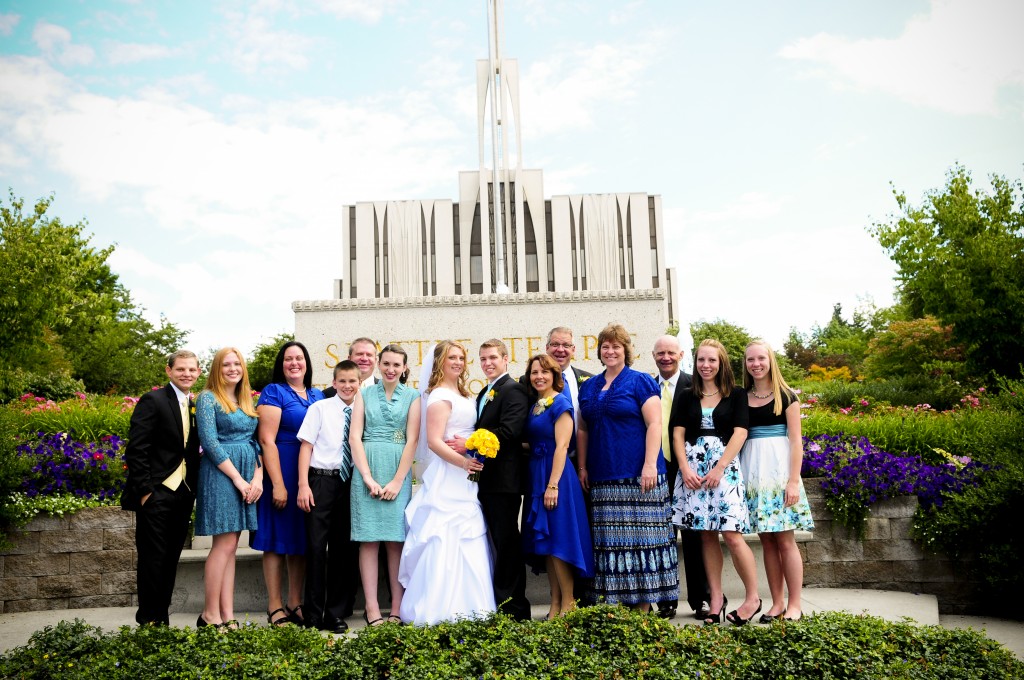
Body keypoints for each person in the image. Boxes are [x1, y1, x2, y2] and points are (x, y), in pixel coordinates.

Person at [577, 324, 678, 611]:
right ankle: (617, 609)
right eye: (605, 346)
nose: (610, 351)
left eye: (616, 346)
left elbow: (655, 424)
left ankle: (642, 610)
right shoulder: (589, 386)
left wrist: (649, 465)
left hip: (639, 476)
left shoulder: (640, 381)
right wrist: (582, 466)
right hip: (602, 477)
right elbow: (582, 429)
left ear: (626, 350)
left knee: (642, 543)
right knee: (611, 546)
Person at [399, 341, 495, 625]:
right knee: (443, 535)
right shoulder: (439, 395)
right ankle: (439, 608)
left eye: (461, 357)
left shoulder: (463, 393)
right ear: (440, 361)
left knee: (469, 535)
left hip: (467, 477)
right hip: (450, 474)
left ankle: (474, 606)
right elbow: (434, 441)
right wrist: (463, 463)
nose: (458, 362)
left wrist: (474, 448)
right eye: (452, 357)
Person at [671, 339, 762, 626]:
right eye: (701, 360)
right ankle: (716, 600)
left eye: (712, 360)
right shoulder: (686, 395)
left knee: (732, 535)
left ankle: (753, 598)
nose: (706, 365)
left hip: (725, 470)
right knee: (706, 535)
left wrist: (719, 468)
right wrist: (684, 468)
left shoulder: (736, 394)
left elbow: (740, 432)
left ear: (721, 363)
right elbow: (677, 433)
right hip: (693, 472)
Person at [450, 339, 531, 620]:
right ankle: (498, 601)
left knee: (506, 543)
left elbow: (509, 432)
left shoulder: (514, 390)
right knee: (495, 542)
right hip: (486, 480)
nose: (488, 363)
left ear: (506, 359)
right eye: (483, 359)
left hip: (504, 482)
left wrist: (469, 443)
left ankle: (515, 608)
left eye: (493, 357)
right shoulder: (486, 391)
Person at [121, 349, 202, 626]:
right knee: (152, 559)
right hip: (156, 493)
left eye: (191, 369)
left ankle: (161, 619)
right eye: (180, 369)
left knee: (170, 558)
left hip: (183, 493)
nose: (186, 374)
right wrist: (146, 491)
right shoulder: (153, 400)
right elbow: (137, 449)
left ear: (198, 372)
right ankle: (148, 621)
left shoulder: (194, 405)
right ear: (169, 371)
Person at [742, 340, 814, 623]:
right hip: (753, 473)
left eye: (761, 358)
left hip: (779, 474)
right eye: (750, 359)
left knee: (785, 540)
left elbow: (796, 443)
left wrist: (793, 481)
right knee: (767, 541)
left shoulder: (787, 396)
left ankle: (795, 604)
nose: (756, 364)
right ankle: (777, 603)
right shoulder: (742, 397)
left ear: (770, 360)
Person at [348, 344, 421, 625]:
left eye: (396, 365)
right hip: (366, 467)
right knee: (368, 541)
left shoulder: (413, 396)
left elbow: (412, 440)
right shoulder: (363, 393)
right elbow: (355, 436)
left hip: (397, 469)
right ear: (379, 364)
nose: (391, 369)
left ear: (404, 368)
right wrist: (367, 477)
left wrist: (398, 481)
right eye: (386, 363)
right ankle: (372, 608)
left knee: (395, 541)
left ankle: (397, 607)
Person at [253, 341, 322, 627]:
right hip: (281, 469)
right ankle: (274, 606)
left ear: (307, 363)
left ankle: (295, 602)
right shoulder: (274, 392)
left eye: (299, 358)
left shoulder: (317, 394)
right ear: (281, 365)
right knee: (275, 539)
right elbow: (266, 439)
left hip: (308, 475)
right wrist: (278, 484)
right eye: (288, 359)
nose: (294, 363)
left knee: (300, 540)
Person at [522, 353, 594, 619]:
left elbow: (562, 446)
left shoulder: (560, 403)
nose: (539, 376)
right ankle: (555, 602)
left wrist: (552, 485)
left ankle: (569, 602)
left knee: (559, 541)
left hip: (557, 476)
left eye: (544, 372)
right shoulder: (536, 405)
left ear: (555, 375)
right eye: (534, 372)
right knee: (547, 544)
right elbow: (533, 441)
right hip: (537, 474)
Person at [194, 347, 262, 629]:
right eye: (226, 364)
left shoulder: (245, 399)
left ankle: (227, 614)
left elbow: (255, 442)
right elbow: (209, 442)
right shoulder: (208, 398)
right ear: (216, 369)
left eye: (237, 364)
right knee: (223, 544)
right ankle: (209, 614)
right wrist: (237, 478)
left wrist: (257, 476)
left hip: (247, 472)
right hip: (222, 474)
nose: (233, 369)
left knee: (232, 545)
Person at [295, 360, 362, 634]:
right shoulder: (319, 408)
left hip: (350, 483)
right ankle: (313, 614)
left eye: (352, 381)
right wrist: (303, 485)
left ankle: (335, 613)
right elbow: (306, 447)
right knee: (315, 548)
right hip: (321, 481)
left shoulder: (362, 411)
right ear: (334, 383)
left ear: (359, 383)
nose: (347, 386)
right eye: (342, 381)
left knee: (342, 549)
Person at [652, 334, 711, 621]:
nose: (666, 357)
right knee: (662, 537)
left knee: (693, 535)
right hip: (656, 470)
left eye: (670, 352)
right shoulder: (646, 386)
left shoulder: (695, 385)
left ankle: (702, 599)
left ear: (681, 355)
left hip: (689, 470)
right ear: (653, 356)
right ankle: (665, 600)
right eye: (660, 353)